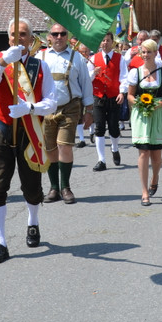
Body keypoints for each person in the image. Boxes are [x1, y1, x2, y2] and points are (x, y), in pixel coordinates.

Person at [0, 17, 57, 264]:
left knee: (32, 187)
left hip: (29, 129)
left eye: (23, 34)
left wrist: (31, 108)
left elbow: (52, 102)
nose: (18, 38)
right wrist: (5, 60)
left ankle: (33, 222)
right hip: (2, 127)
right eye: (14, 34)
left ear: (31, 38)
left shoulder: (40, 66)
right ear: (8, 38)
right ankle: (0, 242)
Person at [37, 23, 94, 204]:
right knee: (50, 148)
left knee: (65, 146)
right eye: (55, 34)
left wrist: (89, 110)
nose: (59, 37)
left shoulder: (77, 58)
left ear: (67, 36)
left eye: (62, 33)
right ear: (49, 37)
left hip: (70, 107)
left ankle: (65, 187)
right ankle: (54, 188)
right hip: (46, 109)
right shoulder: (40, 57)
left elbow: (86, 84)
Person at [126, 39, 162, 206]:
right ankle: (144, 191)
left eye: (149, 52)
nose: (146, 55)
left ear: (155, 53)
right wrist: (139, 104)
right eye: (143, 52)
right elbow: (130, 95)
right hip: (141, 115)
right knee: (143, 152)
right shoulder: (135, 73)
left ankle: (155, 177)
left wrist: (156, 105)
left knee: (156, 156)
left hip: (158, 114)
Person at [87, 32, 124, 171]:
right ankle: (101, 160)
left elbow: (124, 77)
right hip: (98, 96)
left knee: (114, 128)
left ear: (112, 42)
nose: (105, 43)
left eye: (108, 40)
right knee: (99, 128)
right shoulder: (93, 58)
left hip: (114, 96)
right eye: (103, 40)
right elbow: (86, 79)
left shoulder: (119, 58)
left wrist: (122, 92)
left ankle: (115, 148)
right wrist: (93, 73)